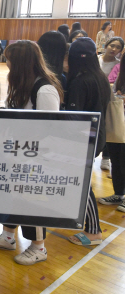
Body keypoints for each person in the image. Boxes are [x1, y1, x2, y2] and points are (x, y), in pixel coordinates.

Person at [0, 40, 65, 266]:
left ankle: (38, 247)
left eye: (10, 60)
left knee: (30, 201)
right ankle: (7, 236)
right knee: (13, 196)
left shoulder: (44, 89)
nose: (7, 64)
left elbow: (52, 128)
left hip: (35, 157)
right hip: (17, 153)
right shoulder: (22, 84)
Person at [65, 38, 110, 246]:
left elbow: (74, 118)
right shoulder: (100, 77)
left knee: (83, 184)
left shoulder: (79, 82)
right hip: (97, 136)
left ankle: (94, 230)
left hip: (81, 139)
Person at [100, 56, 125, 212]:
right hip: (118, 123)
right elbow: (115, 92)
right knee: (117, 160)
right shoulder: (121, 77)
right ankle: (118, 193)